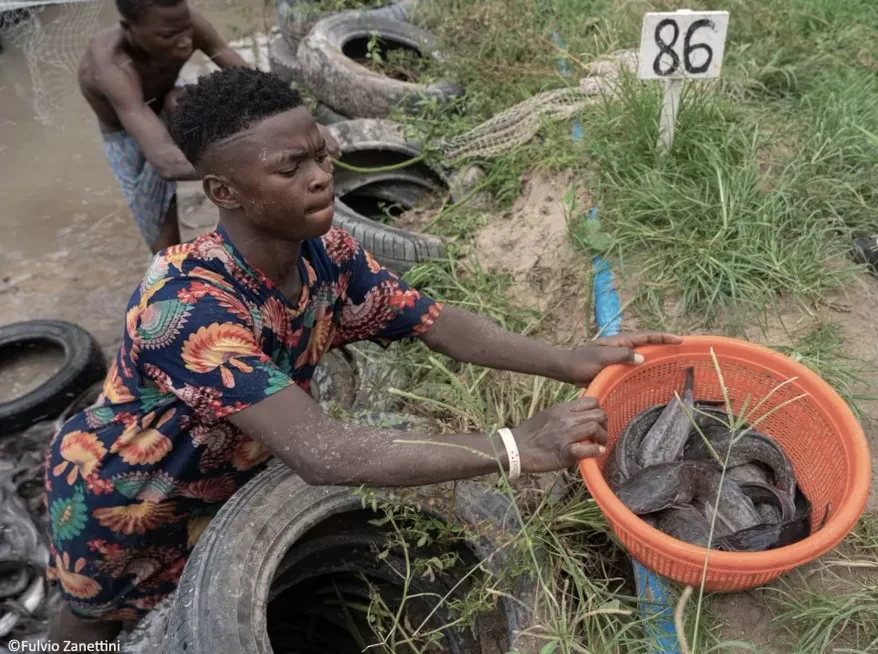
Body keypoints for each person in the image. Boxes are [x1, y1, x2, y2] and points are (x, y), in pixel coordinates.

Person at [44, 66, 683, 644]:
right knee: (94, 621)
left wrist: (567, 358)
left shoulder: (324, 251)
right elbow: (323, 454)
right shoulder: (186, 310)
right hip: (126, 494)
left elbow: (432, 322)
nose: (321, 175)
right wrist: (518, 446)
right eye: (289, 167)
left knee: (194, 601)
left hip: (230, 471)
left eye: (320, 153)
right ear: (225, 191)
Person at [77, 0, 337, 253]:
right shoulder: (111, 63)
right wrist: (255, 168)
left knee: (182, 101)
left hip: (166, 100)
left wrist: (305, 129)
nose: (185, 41)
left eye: (186, 29)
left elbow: (251, 80)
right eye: (169, 36)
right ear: (129, 28)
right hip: (125, 128)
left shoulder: (184, 22)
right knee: (154, 213)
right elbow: (165, 161)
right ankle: (171, 271)